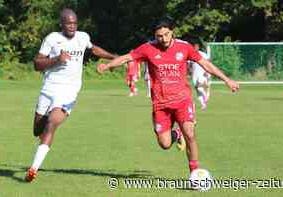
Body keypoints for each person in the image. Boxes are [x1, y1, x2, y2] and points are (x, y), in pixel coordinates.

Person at [97, 19, 239, 175]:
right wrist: (108, 65)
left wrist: (227, 79)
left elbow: (205, 64)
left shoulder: (184, 47)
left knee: (190, 134)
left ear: (172, 32)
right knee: (164, 144)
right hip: (161, 105)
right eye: (159, 36)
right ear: (154, 35)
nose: (163, 39)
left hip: (182, 101)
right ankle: (176, 133)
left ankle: (195, 173)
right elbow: (126, 58)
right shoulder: (148, 48)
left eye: (166, 34)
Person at [25, 8, 117, 182]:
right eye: (68, 23)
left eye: (74, 23)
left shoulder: (83, 37)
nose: (72, 26)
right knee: (38, 130)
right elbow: (37, 64)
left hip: (69, 91)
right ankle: (42, 138)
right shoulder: (52, 38)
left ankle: (33, 168)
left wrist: (114, 57)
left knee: (52, 125)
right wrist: (56, 60)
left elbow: (94, 49)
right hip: (48, 89)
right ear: (61, 24)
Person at [189, 42, 212, 110]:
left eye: (196, 46)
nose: (195, 48)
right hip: (194, 75)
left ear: (198, 47)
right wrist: (190, 71)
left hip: (202, 73)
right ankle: (203, 104)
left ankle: (205, 96)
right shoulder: (190, 54)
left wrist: (207, 71)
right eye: (194, 47)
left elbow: (209, 63)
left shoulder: (203, 54)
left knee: (199, 87)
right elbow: (190, 64)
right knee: (197, 90)